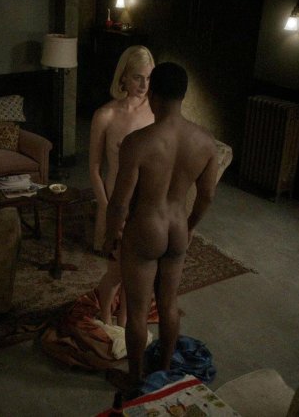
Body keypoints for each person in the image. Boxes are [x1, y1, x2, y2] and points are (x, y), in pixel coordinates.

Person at [103, 62, 220, 391]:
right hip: (177, 227)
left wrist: (111, 235)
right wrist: (190, 225)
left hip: (146, 228)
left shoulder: (138, 142)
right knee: (169, 304)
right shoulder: (206, 141)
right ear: (183, 96)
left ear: (152, 95)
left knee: (138, 310)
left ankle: (135, 379)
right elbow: (207, 196)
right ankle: (165, 372)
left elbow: (120, 202)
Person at [89, 45, 155, 327]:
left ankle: (125, 319)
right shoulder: (106, 115)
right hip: (116, 203)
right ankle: (105, 317)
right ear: (124, 76)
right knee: (116, 271)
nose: (144, 85)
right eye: (138, 77)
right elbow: (94, 168)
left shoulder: (156, 112)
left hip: (146, 203)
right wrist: (107, 209)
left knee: (137, 272)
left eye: (149, 78)